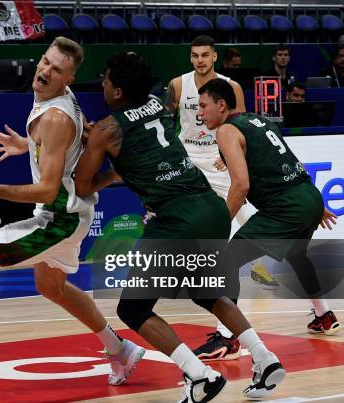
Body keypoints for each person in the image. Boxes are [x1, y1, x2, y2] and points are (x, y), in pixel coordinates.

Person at [75, 52, 285, 402]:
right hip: (211, 210)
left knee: (133, 309)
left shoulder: (107, 130)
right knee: (206, 293)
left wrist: (107, 165)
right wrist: (104, 146)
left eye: (107, 78)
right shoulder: (159, 105)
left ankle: (199, 375)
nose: (103, 83)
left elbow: (83, 185)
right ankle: (265, 358)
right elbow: (143, 146)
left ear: (119, 90)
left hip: (175, 221)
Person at [0, 37, 145, 385]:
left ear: (69, 79)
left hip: (59, 220)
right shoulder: (60, 101)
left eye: (57, 69)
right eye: (46, 62)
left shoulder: (54, 118)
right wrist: (29, 145)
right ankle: (120, 350)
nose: (46, 71)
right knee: (51, 286)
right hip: (73, 213)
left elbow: (48, 188)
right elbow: (72, 144)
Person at [164, 35, 278, 360]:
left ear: (214, 57)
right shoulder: (177, 85)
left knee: (239, 233)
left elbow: (241, 126)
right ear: (190, 58)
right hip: (191, 167)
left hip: (221, 165)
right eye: (195, 55)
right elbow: (167, 124)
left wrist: (228, 157)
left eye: (205, 55)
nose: (200, 60)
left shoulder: (231, 87)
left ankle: (230, 332)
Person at [198, 78, 340, 336]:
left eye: (203, 106)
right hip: (307, 194)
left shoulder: (226, 131)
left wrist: (219, 224)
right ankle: (324, 315)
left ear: (221, 105)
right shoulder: (257, 120)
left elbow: (241, 186)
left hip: (285, 206)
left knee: (228, 260)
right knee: (297, 254)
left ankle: (227, 337)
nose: (199, 113)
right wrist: (313, 204)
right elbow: (285, 160)